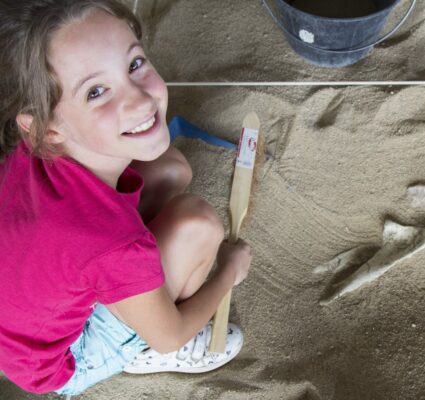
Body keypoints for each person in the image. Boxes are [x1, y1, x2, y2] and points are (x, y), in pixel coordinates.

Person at [0, 0, 252, 396]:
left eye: (134, 64)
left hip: (25, 310)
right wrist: (227, 274)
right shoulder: (110, 244)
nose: (139, 100)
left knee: (171, 168)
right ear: (47, 129)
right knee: (197, 224)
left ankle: (130, 301)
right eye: (96, 92)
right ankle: (137, 350)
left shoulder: (36, 148)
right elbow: (170, 334)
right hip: (63, 359)